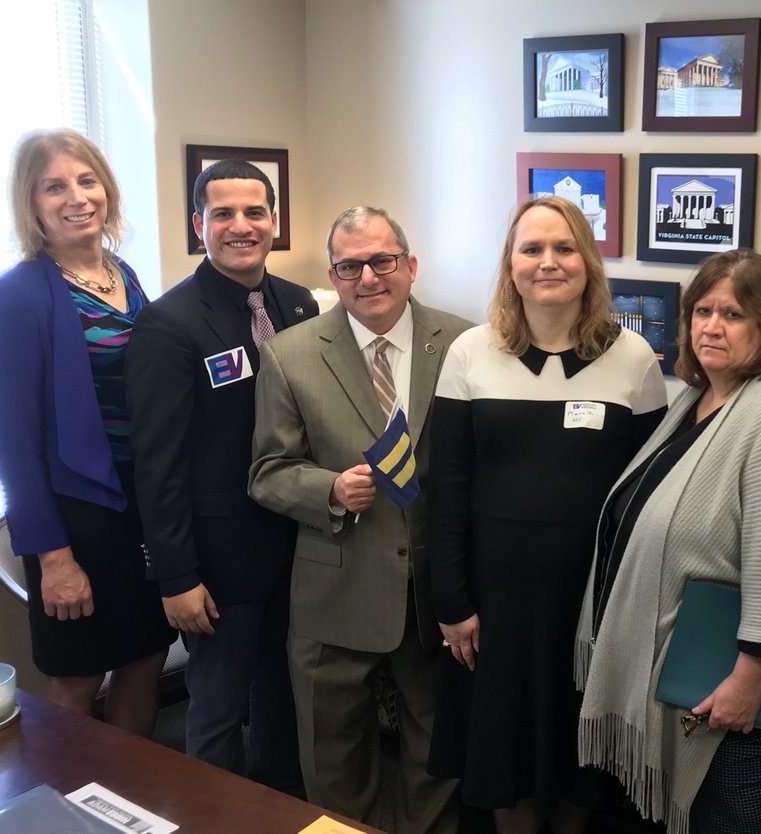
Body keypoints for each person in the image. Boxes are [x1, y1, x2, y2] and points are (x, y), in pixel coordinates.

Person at [576, 249, 761, 834]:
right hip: (688, 682)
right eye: (702, 311)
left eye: (733, 314)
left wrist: (747, 683)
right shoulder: (694, 402)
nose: (711, 327)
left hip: (739, 701)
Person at [425, 195, 667, 834]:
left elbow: (647, 499)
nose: (547, 262)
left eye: (564, 248)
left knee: (578, 762)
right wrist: (451, 602)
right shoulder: (471, 354)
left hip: (591, 601)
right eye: (531, 249)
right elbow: (445, 489)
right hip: (493, 603)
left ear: (587, 262)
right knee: (503, 756)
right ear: (510, 263)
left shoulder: (634, 359)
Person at [248, 206, 471, 831]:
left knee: (437, 756)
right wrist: (329, 489)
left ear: (410, 265)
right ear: (333, 274)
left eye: (382, 260)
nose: (368, 277)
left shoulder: (464, 342)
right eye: (350, 266)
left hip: (433, 597)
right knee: (332, 757)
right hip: (334, 589)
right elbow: (266, 470)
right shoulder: (290, 354)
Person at [125, 159, 315, 791]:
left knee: (284, 703)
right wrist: (176, 576)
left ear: (274, 222)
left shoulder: (298, 304)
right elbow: (159, 464)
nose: (241, 226)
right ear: (198, 223)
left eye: (255, 212)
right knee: (217, 712)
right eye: (223, 213)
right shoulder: (168, 323)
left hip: (295, 548)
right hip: (218, 564)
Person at [0, 128, 174, 733]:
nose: (77, 197)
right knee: (77, 674)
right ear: (31, 203)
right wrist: (54, 558)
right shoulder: (15, 297)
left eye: (87, 180)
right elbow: (13, 444)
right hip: (77, 512)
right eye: (54, 186)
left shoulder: (124, 276)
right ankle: (66, 817)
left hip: (140, 503)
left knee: (145, 655)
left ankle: (130, 807)